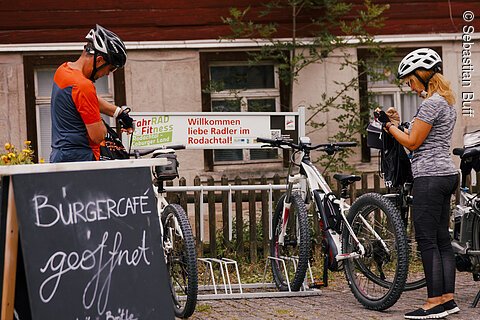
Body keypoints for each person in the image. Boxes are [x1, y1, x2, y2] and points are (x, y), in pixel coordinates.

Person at [377, 48, 459, 319]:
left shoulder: (431, 104)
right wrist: (397, 123)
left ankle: (434, 301)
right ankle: (448, 299)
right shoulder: (445, 101)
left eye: (410, 81)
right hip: (446, 174)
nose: (410, 87)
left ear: (422, 75)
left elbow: (412, 143)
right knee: (442, 240)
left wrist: (388, 128)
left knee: (427, 241)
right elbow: (418, 137)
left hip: (429, 177)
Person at [50, 24, 134, 163]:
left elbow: (84, 99)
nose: (107, 74)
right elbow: (98, 136)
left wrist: (119, 113)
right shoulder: (84, 86)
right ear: (99, 60)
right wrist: (97, 119)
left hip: (60, 156)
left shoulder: (63, 70)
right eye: (111, 68)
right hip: (81, 160)